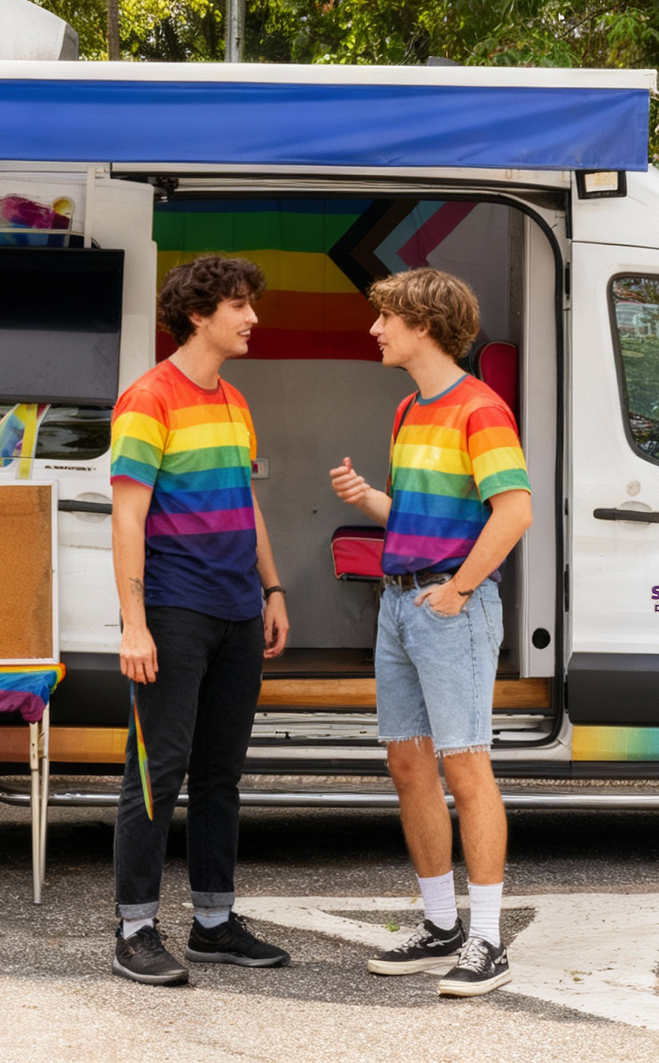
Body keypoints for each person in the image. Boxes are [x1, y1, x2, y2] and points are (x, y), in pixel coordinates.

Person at [328, 267, 532, 997]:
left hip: (449, 609)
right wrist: (370, 499)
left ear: (424, 325)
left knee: (465, 767)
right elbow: (422, 516)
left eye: (386, 318)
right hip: (399, 604)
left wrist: (460, 589)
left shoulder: (481, 409)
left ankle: (486, 942)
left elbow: (513, 511)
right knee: (410, 768)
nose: (375, 330)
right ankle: (441, 925)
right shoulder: (411, 409)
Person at [107, 254, 293, 986]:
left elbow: (246, 507)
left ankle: (214, 924)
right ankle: (135, 931)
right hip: (175, 611)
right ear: (198, 313)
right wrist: (133, 623)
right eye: (240, 306)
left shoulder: (236, 402)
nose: (253, 318)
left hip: (238, 611)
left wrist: (272, 589)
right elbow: (128, 518)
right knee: (157, 772)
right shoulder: (147, 399)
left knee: (221, 775)